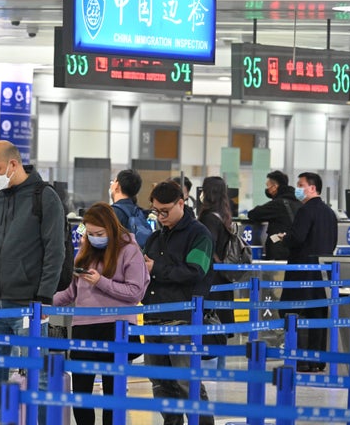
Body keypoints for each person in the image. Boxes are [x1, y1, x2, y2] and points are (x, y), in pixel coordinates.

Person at [0, 140, 66, 424]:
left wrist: (44, 297)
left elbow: (55, 251)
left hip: (29, 303)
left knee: (34, 376)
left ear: (13, 165)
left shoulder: (44, 197)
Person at [54, 202, 149, 425]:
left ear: (111, 228)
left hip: (117, 328)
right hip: (83, 328)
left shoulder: (130, 250)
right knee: (81, 394)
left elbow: (135, 292)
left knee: (113, 395)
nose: (94, 237)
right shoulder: (85, 253)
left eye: (99, 233)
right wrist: (44, 304)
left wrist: (101, 282)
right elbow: (70, 291)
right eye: (90, 233)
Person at [142, 180, 215, 425]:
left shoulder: (199, 234)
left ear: (181, 203)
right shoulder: (155, 238)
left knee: (187, 381)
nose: (161, 216)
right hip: (152, 319)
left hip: (182, 321)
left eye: (165, 211)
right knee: (160, 381)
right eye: (156, 211)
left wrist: (155, 269)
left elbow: (196, 271)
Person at [279, 172, 337, 373]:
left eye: (301, 184)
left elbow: (297, 238)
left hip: (302, 274)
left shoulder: (305, 211)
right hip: (323, 275)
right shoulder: (330, 213)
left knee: (296, 314)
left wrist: (284, 238)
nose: (298, 187)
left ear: (312, 188)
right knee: (318, 315)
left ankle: (301, 360)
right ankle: (317, 361)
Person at [197, 176, 235, 368]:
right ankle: (221, 364)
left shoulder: (208, 217)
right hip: (223, 277)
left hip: (211, 277)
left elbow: (206, 245)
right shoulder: (224, 215)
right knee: (221, 320)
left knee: (209, 319)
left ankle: (209, 364)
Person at [246, 170, 302, 260]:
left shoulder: (278, 204)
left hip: (279, 253)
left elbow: (254, 213)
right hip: (296, 252)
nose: (267, 189)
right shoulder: (299, 203)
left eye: (268, 186)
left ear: (275, 187)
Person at [109, 169, 152, 247]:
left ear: (117, 186)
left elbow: (88, 231)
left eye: (114, 181)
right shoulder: (140, 212)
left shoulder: (111, 212)